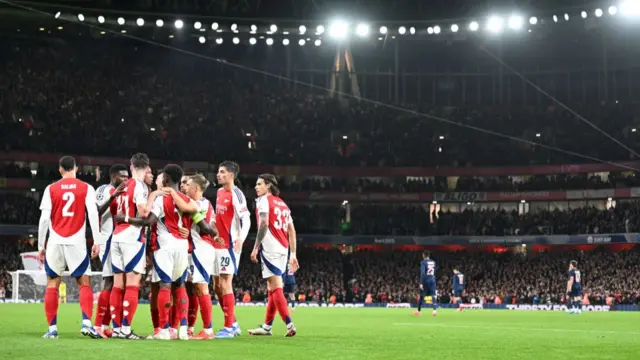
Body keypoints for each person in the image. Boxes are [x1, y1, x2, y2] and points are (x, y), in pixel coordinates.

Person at [116, 164, 200, 340]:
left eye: (161, 177)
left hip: (165, 245)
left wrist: (124, 218)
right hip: (182, 246)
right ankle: (183, 328)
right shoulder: (187, 199)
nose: (158, 179)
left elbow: (147, 221)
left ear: (167, 179)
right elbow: (194, 213)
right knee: (180, 285)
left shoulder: (161, 199)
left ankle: (164, 329)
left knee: (164, 286)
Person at [38, 156, 104, 339]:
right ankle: (86, 323)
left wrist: (40, 245)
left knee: (52, 283)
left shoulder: (50, 189)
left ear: (60, 169)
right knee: (84, 282)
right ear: (76, 168)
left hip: (55, 241)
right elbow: (92, 214)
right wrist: (96, 241)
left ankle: (52, 330)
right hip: (77, 242)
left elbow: (44, 219)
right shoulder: (86, 188)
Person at [248, 174, 298, 337]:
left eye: (259, 184)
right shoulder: (283, 204)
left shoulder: (264, 201)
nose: (256, 187)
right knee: (272, 288)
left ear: (268, 185)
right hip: (283, 248)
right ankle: (266, 327)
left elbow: (263, 223)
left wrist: (256, 247)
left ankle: (289, 324)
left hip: (270, 247)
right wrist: (293, 253)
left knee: (276, 287)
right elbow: (291, 230)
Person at [109, 153, 151, 339]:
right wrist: (154, 197)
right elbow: (143, 212)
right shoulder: (140, 186)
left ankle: (117, 328)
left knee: (118, 285)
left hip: (116, 236)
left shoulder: (122, 186)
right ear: (147, 168)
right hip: (132, 237)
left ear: (132, 167)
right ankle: (126, 329)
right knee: (133, 284)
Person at [213, 161, 250, 339]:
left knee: (225, 283)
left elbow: (247, 219)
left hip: (230, 245)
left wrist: (240, 240)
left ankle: (229, 328)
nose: (218, 175)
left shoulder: (237, 194)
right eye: (218, 172)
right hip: (216, 244)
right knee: (216, 286)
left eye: (222, 172)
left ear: (231, 175)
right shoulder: (219, 192)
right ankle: (233, 323)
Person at [184, 174, 222, 339]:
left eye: (189, 185)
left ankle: (208, 330)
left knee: (201, 287)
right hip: (197, 248)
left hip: (202, 248)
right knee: (194, 288)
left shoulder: (199, 204)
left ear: (196, 188)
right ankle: (191, 328)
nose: (186, 188)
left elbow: (206, 227)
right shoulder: (207, 204)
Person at [93, 164, 128, 338]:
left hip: (121, 242)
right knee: (109, 282)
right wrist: (113, 196)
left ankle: (107, 325)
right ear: (113, 176)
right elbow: (96, 211)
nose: (125, 179)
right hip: (107, 241)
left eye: (127, 176)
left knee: (118, 284)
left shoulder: (127, 192)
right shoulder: (104, 189)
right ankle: (98, 325)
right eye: (122, 176)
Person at [414, 252, 437, 317]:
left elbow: (423, 273)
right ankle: (434, 310)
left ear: (423, 255)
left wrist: (421, 283)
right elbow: (434, 271)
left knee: (421, 296)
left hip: (426, 280)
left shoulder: (423, 262)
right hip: (432, 279)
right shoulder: (433, 262)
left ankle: (418, 311)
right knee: (433, 295)